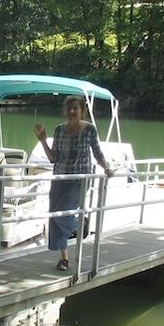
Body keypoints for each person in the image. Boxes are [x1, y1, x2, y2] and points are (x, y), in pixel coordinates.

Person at [34, 95, 115, 271]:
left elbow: (97, 153)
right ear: (65, 111)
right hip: (59, 178)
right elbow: (53, 158)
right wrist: (42, 140)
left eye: (75, 108)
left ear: (82, 111)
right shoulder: (59, 130)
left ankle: (80, 223)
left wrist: (106, 168)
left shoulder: (89, 130)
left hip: (79, 180)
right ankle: (64, 258)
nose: (72, 111)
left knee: (60, 214)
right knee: (55, 216)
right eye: (69, 108)